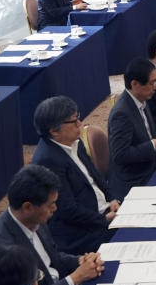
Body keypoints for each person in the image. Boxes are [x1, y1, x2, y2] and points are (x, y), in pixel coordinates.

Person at [0, 165, 104, 285]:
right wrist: (75, 279)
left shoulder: (35, 219)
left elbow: (53, 257)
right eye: (50, 204)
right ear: (27, 207)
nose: (55, 208)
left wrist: (80, 261)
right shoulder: (2, 249)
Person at [30, 97, 118, 255]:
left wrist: (112, 198)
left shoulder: (73, 141)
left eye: (78, 117)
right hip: (82, 232)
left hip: (103, 212)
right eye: (74, 121)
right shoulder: (48, 160)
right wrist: (103, 220)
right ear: (54, 131)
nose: (80, 123)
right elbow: (67, 210)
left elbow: (96, 177)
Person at [107, 58, 156, 200]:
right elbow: (120, 155)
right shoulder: (121, 114)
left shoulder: (141, 100)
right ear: (134, 84)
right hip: (135, 179)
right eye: (152, 83)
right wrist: (151, 146)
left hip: (151, 165)